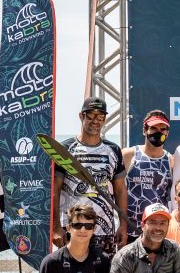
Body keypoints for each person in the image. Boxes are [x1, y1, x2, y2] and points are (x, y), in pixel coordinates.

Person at [51, 96, 127, 258]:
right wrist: (56, 227)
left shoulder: (113, 150)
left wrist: (123, 226)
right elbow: (55, 190)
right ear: (81, 116)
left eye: (100, 117)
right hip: (73, 228)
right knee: (70, 272)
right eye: (91, 116)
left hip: (104, 229)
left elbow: (120, 190)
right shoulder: (65, 149)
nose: (95, 121)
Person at [122, 110, 174, 244]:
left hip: (158, 231)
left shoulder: (170, 160)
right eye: (153, 128)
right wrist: (121, 225)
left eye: (162, 129)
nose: (158, 132)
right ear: (145, 130)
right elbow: (117, 191)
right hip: (130, 229)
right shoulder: (129, 155)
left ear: (167, 133)